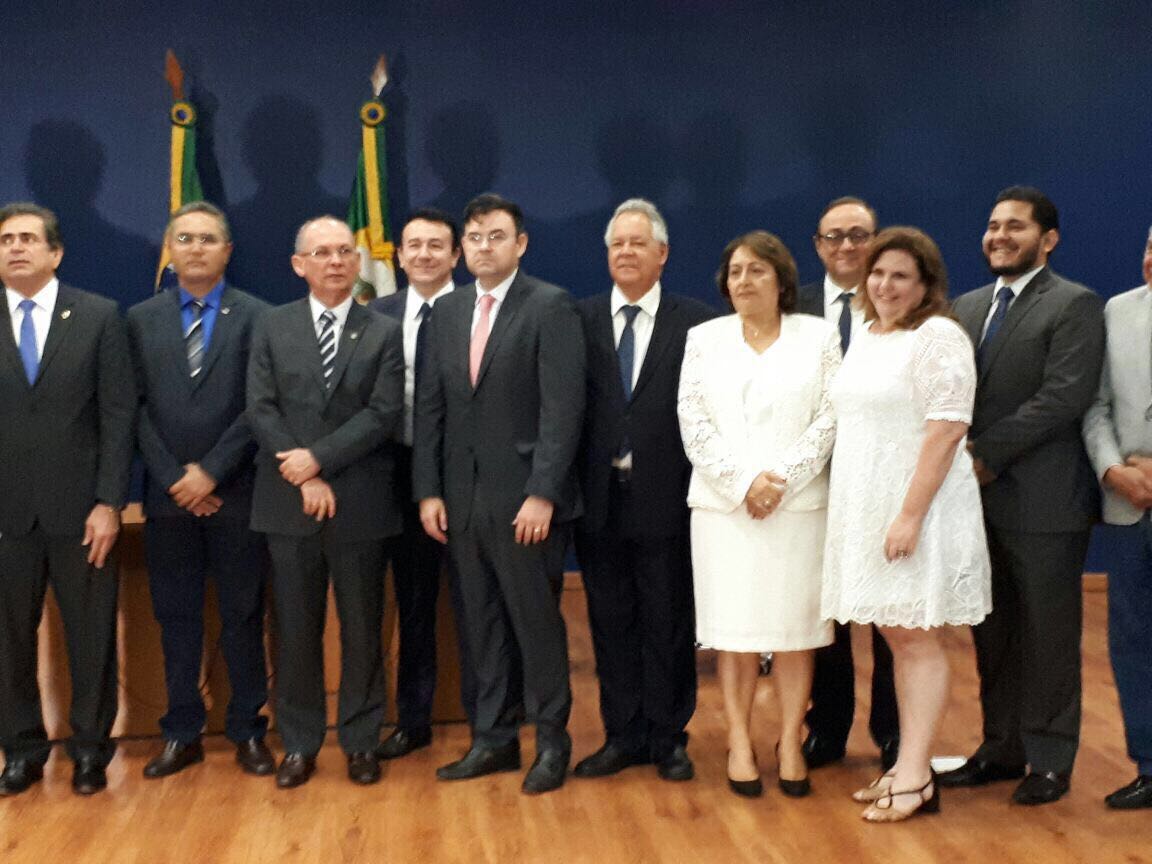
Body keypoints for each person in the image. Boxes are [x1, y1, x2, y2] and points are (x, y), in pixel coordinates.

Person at [413, 193, 585, 795]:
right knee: (480, 622)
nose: (484, 247)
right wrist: (428, 489)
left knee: (534, 623)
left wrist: (544, 493)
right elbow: (431, 407)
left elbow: (564, 412)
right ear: (464, 248)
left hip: (525, 502)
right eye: (476, 237)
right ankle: (493, 740)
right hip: (460, 498)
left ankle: (551, 743)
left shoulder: (550, 306)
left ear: (521, 244)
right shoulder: (449, 311)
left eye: (497, 236)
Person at [941, 187, 1105, 805]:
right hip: (975, 504)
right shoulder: (966, 306)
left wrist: (983, 456)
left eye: (1014, 226)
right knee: (994, 633)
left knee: (1049, 637)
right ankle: (1000, 748)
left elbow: (1062, 398)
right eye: (991, 226)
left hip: (1044, 504)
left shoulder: (1075, 305)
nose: (998, 236)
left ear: (1048, 239)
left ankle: (1051, 759)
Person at [822, 226, 992, 822]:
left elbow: (947, 428)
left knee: (917, 639)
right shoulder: (868, 334)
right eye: (877, 273)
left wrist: (910, 516)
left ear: (925, 285)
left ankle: (916, 774)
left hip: (916, 510)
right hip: (868, 508)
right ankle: (904, 765)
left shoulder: (937, 336)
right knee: (897, 638)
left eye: (900, 275)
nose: (885, 285)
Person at [678, 230, 839, 798]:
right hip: (725, 511)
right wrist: (746, 483)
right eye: (735, 271)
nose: (743, 281)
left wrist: (781, 482)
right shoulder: (704, 339)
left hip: (797, 509)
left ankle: (791, 740)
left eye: (757, 271)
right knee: (737, 635)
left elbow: (829, 417)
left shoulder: (819, 337)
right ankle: (741, 743)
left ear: (782, 280)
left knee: (796, 635)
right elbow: (693, 424)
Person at [247, 215, 405, 789]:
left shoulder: (383, 331)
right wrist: (303, 470)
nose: (335, 261)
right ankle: (299, 742)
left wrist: (320, 460)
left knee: (365, 630)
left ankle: (361, 740)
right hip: (288, 503)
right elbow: (260, 406)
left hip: (359, 501)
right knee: (293, 630)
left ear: (358, 262)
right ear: (299, 264)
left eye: (344, 252)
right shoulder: (271, 326)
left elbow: (384, 413)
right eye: (322, 253)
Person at [127, 202, 273, 779]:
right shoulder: (138, 319)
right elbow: (131, 409)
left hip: (238, 492)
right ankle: (181, 731)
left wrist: (211, 472)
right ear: (170, 247)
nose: (195, 248)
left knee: (242, 615)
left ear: (227, 251)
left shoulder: (260, 317)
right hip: (168, 499)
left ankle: (247, 730)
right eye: (184, 238)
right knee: (177, 616)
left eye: (208, 239)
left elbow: (260, 407)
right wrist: (175, 479)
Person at [573, 199, 714, 782]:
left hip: (669, 498)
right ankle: (622, 734)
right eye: (616, 245)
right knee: (609, 622)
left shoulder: (699, 324)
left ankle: (668, 735)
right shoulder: (577, 320)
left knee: (668, 622)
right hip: (599, 500)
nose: (626, 253)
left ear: (662, 254)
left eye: (637, 243)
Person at [0, 202, 134, 796]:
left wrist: (109, 500)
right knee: (8, 641)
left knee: (91, 636)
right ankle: (21, 751)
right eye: (5, 240)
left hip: (83, 512)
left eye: (28, 239)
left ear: (56, 252)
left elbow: (118, 414)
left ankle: (89, 751)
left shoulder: (100, 316)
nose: (15, 248)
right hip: (5, 514)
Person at [368, 208, 477, 755]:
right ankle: (412, 721)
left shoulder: (479, 309)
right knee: (412, 606)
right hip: (398, 476)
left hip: (469, 478)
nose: (425, 255)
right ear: (400, 255)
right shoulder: (378, 314)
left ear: (456, 255)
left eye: (437, 245)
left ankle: (491, 724)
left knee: (477, 602)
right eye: (414, 245)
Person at [797, 196, 899, 772]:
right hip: (815, 489)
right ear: (817, 245)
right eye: (833, 236)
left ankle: (892, 734)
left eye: (858, 234)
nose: (846, 247)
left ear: (877, 239)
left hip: (884, 487)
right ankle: (827, 730)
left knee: (892, 622)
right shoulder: (798, 307)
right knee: (826, 621)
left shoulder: (902, 306)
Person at [1080, 226, 1152, 810]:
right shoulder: (1117, 310)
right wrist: (1111, 469)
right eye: (1150, 246)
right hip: (1128, 504)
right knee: (1132, 641)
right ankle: (1149, 765)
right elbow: (1097, 405)